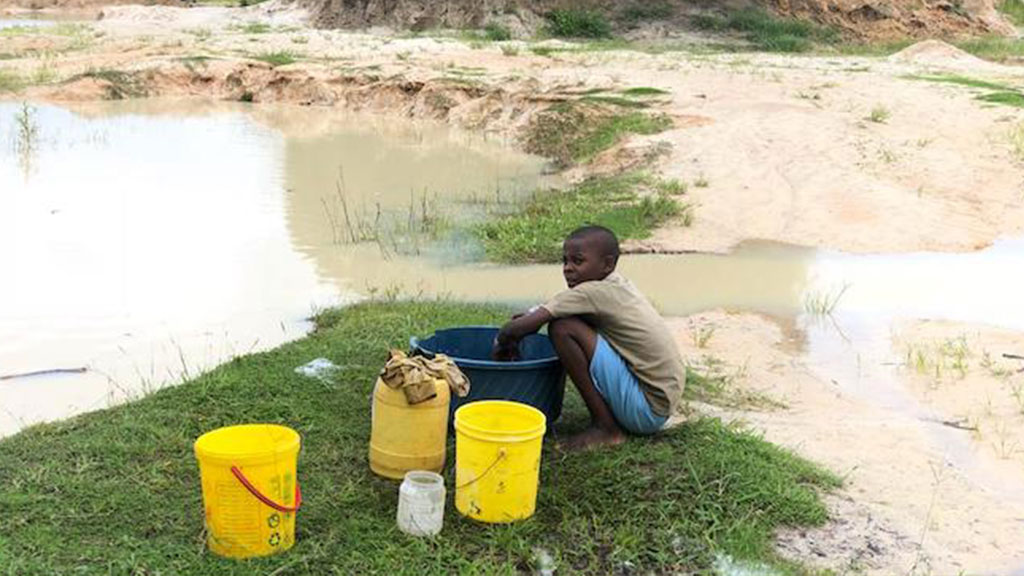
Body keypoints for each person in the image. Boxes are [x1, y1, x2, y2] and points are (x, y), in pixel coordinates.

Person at [492, 225, 684, 451]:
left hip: (646, 410)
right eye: (565, 261)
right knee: (567, 321)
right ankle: (608, 423)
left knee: (562, 328)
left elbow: (512, 330)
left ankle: (607, 429)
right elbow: (548, 311)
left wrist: (504, 342)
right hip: (659, 403)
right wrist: (532, 318)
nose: (568, 269)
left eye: (578, 261)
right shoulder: (616, 285)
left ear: (607, 264)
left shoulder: (592, 292)